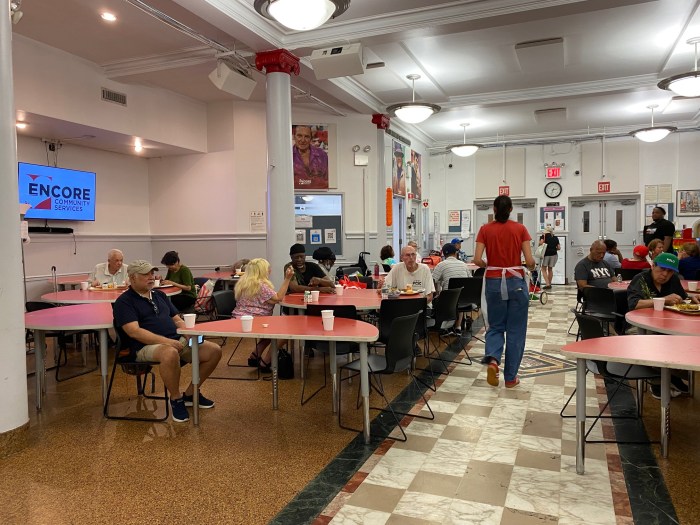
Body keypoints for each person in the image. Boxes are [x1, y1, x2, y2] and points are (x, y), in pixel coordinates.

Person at [113, 260, 222, 423]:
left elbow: (176, 320)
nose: (151, 277)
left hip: (176, 341)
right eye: (145, 275)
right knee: (169, 353)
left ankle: (191, 394)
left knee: (214, 350)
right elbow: (134, 332)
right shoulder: (124, 302)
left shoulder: (159, 295)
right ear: (132, 278)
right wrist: (167, 342)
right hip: (144, 347)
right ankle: (176, 398)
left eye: (151, 273)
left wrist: (186, 333)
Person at [473, 195, 535, 389]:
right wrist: (530, 267)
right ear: (510, 209)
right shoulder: (520, 229)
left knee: (495, 326)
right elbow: (530, 260)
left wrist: (487, 264)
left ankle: (492, 360)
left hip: (493, 280)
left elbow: (476, 259)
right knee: (516, 330)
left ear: (493, 208)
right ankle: (510, 378)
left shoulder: (485, 229)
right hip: (515, 280)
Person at [627, 253, 698, 398]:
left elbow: (682, 299)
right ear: (653, 266)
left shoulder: (673, 281)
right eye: (662, 269)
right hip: (639, 325)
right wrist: (663, 299)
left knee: (680, 341)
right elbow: (634, 304)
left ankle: (672, 374)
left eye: (670, 271)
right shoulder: (640, 279)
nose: (665, 274)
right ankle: (657, 381)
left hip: (666, 323)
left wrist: (691, 299)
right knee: (655, 343)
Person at [233, 259, 294, 372]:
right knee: (286, 332)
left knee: (270, 331)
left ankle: (255, 356)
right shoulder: (261, 286)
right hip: (255, 320)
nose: (270, 270)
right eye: (268, 268)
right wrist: (287, 279)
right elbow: (278, 298)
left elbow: (269, 300)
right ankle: (266, 362)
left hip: (240, 319)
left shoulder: (243, 283)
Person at [432, 243, 470, 334]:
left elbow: (432, 281)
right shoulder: (464, 265)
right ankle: (458, 326)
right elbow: (469, 280)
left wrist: (435, 294)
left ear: (444, 254)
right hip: (464, 299)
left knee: (439, 298)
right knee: (459, 296)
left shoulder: (441, 265)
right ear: (456, 252)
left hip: (447, 300)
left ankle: (444, 326)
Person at [292, 125, 328, 189]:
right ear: (294, 137)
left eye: (306, 136)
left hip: (319, 194)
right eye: (299, 136)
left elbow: (327, 181)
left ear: (310, 139)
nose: (303, 140)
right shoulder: (287, 156)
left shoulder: (322, 154)